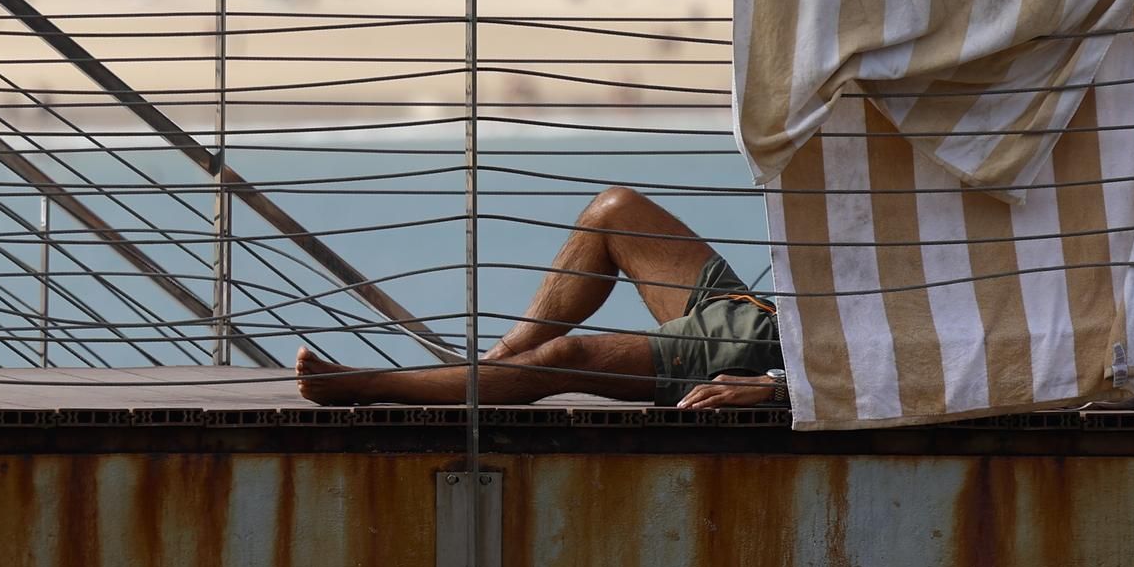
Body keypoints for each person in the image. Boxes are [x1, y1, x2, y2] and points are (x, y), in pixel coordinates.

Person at [296, 187, 786, 408]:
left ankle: (371, 385)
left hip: (769, 352)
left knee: (565, 358)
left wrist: (777, 385)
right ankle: (492, 366)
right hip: (761, 313)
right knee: (614, 210)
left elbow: (864, 351)